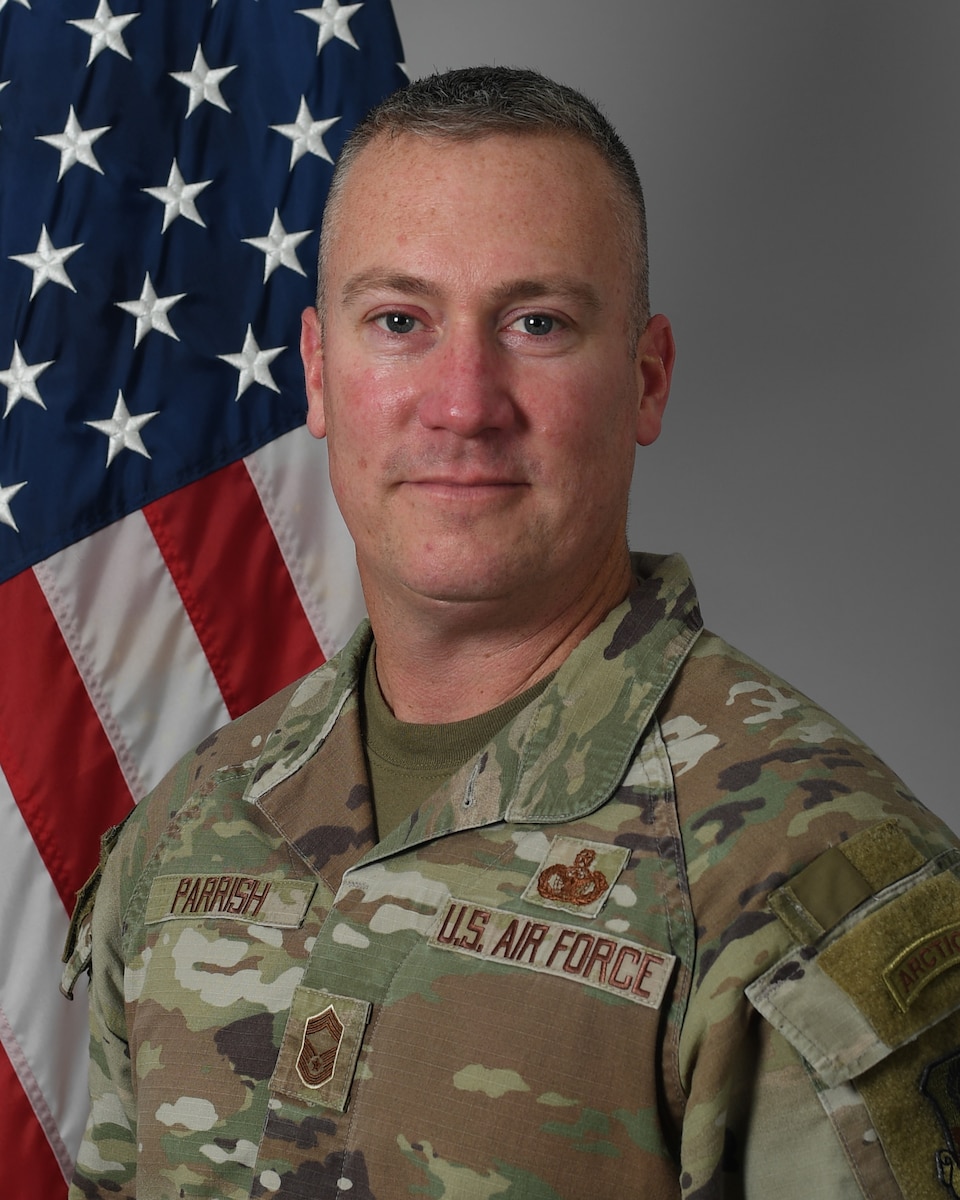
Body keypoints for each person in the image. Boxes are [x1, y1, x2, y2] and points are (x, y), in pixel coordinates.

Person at [63, 66, 960, 1199]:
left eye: (537, 324)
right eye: (400, 322)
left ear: (646, 379)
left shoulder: (807, 881)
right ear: (320, 375)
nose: (463, 402)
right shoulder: (188, 831)